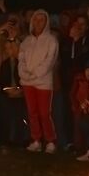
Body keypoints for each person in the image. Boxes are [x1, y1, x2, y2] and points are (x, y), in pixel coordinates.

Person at [18, 9, 59, 153]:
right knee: (32, 112)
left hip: (43, 83)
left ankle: (50, 140)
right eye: (36, 19)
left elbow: (49, 62)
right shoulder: (27, 41)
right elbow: (21, 59)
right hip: (27, 82)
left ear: (46, 22)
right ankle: (36, 139)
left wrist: (34, 74)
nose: (38, 22)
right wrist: (24, 74)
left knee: (44, 113)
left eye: (41, 20)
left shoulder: (51, 41)